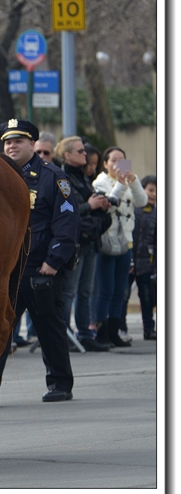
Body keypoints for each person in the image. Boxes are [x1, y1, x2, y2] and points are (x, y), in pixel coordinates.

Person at [0, 119, 80, 404]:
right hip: (5, 269)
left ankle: (60, 384)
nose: (11, 146)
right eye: (7, 142)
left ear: (32, 144)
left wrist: (54, 260)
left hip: (40, 267)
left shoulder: (54, 178)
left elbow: (66, 222)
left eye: (18, 141)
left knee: (48, 328)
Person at [54, 136, 112, 352]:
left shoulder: (83, 177)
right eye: (80, 151)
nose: (85, 154)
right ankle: (63, 335)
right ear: (67, 155)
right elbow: (65, 209)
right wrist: (89, 205)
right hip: (75, 242)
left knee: (86, 291)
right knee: (69, 291)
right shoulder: (62, 177)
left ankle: (85, 333)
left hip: (90, 240)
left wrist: (100, 204)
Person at [92, 146, 148, 347]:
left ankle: (114, 332)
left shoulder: (129, 181)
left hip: (126, 241)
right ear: (105, 164)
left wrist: (133, 181)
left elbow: (142, 201)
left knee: (120, 291)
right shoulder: (100, 182)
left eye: (121, 160)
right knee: (105, 289)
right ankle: (101, 332)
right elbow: (108, 205)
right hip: (107, 242)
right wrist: (121, 184)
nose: (117, 165)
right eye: (113, 161)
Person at [132, 175, 157, 340]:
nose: (154, 194)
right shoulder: (133, 209)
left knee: (147, 297)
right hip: (130, 260)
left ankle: (149, 328)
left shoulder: (157, 214)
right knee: (123, 295)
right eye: (151, 190)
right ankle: (120, 328)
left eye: (157, 191)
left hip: (148, 262)